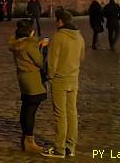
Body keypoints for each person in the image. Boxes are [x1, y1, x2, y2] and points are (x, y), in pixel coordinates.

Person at [42, 9, 85, 159]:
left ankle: (59, 148)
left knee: (60, 114)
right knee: (72, 113)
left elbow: (52, 62)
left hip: (60, 80)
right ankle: (70, 146)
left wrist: (50, 77)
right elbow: (82, 57)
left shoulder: (59, 37)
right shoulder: (79, 36)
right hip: (74, 78)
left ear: (60, 21)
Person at [8, 19, 49, 153]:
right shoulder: (30, 45)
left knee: (26, 107)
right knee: (31, 110)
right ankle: (29, 141)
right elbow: (39, 62)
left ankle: (25, 137)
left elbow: (26, 53)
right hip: (33, 80)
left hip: (23, 79)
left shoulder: (17, 44)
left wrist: (34, 42)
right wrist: (43, 48)